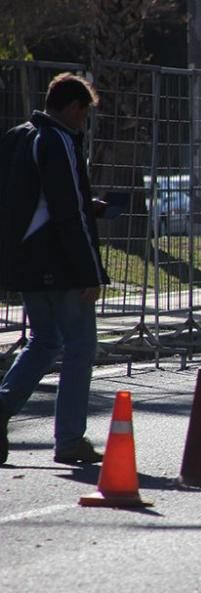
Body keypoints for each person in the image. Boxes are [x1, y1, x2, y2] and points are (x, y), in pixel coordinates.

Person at [0, 73, 110, 465]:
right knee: (81, 346)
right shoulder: (58, 140)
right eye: (83, 113)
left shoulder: (17, 137)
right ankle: (69, 440)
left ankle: (2, 408)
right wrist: (90, 271)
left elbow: (31, 200)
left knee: (44, 341)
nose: (83, 122)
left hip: (24, 261)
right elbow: (68, 213)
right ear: (72, 107)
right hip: (59, 264)